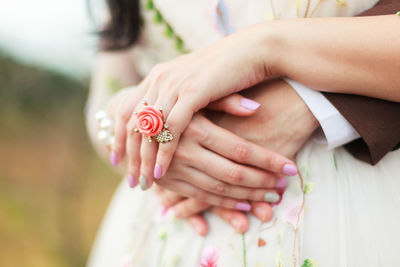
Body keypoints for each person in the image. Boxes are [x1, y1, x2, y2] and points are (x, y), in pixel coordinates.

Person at [86, 0, 400, 266]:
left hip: (357, 220)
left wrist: (272, 51)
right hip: (162, 239)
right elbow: (105, 96)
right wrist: (143, 127)